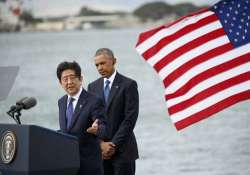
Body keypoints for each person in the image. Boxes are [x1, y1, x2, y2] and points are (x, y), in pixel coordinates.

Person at [88, 48, 139, 175]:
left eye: (103, 63)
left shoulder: (129, 85)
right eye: (97, 65)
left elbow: (130, 119)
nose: (100, 67)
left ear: (114, 61)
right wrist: (100, 144)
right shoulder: (92, 87)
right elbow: (91, 119)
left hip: (123, 151)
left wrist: (113, 145)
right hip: (100, 153)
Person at [57, 61, 109, 175]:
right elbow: (67, 129)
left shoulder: (94, 101)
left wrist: (97, 129)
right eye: (65, 79)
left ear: (80, 79)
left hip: (89, 167)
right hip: (68, 166)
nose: (69, 82)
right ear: (60, 82)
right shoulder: (61, 102)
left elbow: (104, 128)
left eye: (72, 78)